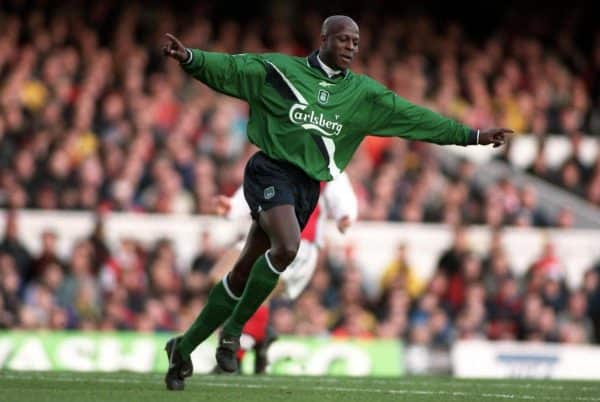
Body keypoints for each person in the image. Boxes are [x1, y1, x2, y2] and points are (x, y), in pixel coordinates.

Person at [162, 15, 512, 390]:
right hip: (270, 171)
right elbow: (233, 69)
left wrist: (472, 135)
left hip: (307, 188)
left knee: (243, 270)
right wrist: (191, 58)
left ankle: (181, 349)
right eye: (344, 40)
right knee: (287, 248)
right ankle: (232, 331)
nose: (350, 47)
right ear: (324, 39)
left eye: (356, 43)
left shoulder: (362, 95)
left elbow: (415, 118)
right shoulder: (281, 71)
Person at [211, 172, 357, 373]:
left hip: (298, 245)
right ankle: (261, 336)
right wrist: (233, 207)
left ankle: (234, 359)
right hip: (263, 236)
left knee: (257, 289)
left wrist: (345, 215)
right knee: (219, 278)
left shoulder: (326, 164)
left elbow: (342, 194)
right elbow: (256, 185)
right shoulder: (276, 155)